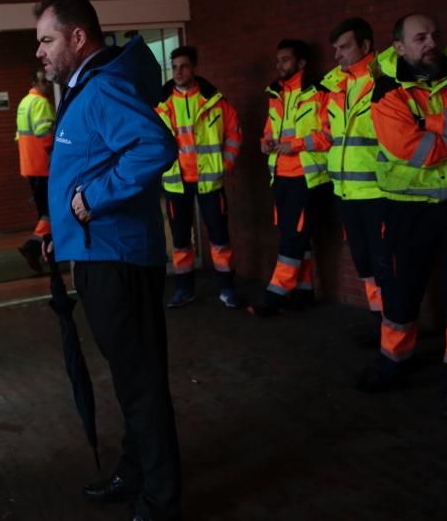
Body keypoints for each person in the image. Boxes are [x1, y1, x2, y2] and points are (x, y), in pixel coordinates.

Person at [35, 0, 180, 521]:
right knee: (129, 376)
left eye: (47, 39)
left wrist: (92, 200)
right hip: (99, 253)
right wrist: (60, 227)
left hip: (118, 261)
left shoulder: (102, 89)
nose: (40, 52)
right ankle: (136, 471)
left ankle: (161, 500)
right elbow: (87, 165)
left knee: (140, 384)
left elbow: (155, 147)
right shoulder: (83, 89)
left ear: (78, 37)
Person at [358, 14, 447, 421]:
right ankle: (394, 363)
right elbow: (413, 150)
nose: (430, 42)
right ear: (399, 47)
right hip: (403, 210)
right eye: (420, 37)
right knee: (400, 289)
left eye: (435, 35)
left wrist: (428, 124)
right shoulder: (387, 93)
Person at [154, 45, 242, 308]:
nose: (178, 72)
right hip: (176, 182)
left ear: (194, 68)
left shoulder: (215, 101)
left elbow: (235, 133)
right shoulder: (161, 104)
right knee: (180, 241)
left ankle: (226, 289)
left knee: (219, 237)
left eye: (184, 66)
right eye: (175, 67)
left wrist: (225, 164)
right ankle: (184, 289)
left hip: (210, 181)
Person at [250, 40, 332, 317]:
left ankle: (276, 294)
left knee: (292, 239)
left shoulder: (320, 92)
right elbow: (270, 130)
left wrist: (295, 144)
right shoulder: (276, 93)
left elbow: (330, 135)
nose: (280, 65)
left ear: (301, 63)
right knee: (298, 237)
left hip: (307, 178)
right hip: (281, 176)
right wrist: (266, 142)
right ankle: (305, 291)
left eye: (285, 60)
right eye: (278, 61)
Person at [319, 18, 387, 343]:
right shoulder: (337, 87)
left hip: (379, 192)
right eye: (335, 48)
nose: (337, 55)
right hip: (347, 192)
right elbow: (331, 137)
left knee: (385, 265)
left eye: (344, 47)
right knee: (366, 264)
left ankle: (395, 329)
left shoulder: (385, 80)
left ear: (366, 46)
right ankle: (381, 324)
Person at [15, 69, 56, 274]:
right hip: (44, 167)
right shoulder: (40, 103)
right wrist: (57, 155)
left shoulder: (24, 103)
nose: (47, 85)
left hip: (30, 167)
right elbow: (44, 133)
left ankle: (44, 249)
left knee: (45, 210)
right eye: (44, 81)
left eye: (48, 81)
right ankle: (33, 247)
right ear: (34, 82)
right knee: (51, 211)